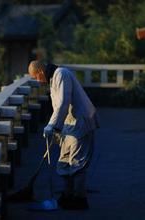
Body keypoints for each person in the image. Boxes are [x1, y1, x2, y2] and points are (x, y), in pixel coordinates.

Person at [28, 60, 99, 210]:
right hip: (70, 125)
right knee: (64, 161)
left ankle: (79, 199)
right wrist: (56, 130)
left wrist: (51, 125)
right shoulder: (54, 78)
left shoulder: (61, 74)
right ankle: (67, 195)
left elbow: (62, 104)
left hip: (80, 122)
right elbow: (59, 108)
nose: (37, 81)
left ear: (40, 72)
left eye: (36, 77)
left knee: (77, 163)